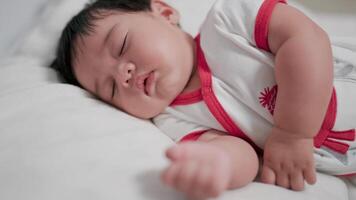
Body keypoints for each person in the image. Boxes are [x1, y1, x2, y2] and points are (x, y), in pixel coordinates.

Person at [50, 0, 356, 199]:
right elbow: (242, 154)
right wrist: (218, 164)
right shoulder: (174, 121)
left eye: (122, 45)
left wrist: (293, 133)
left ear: (165, 13)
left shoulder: (229, 22)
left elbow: (305, 38)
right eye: (111, 89)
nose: (123, 73)